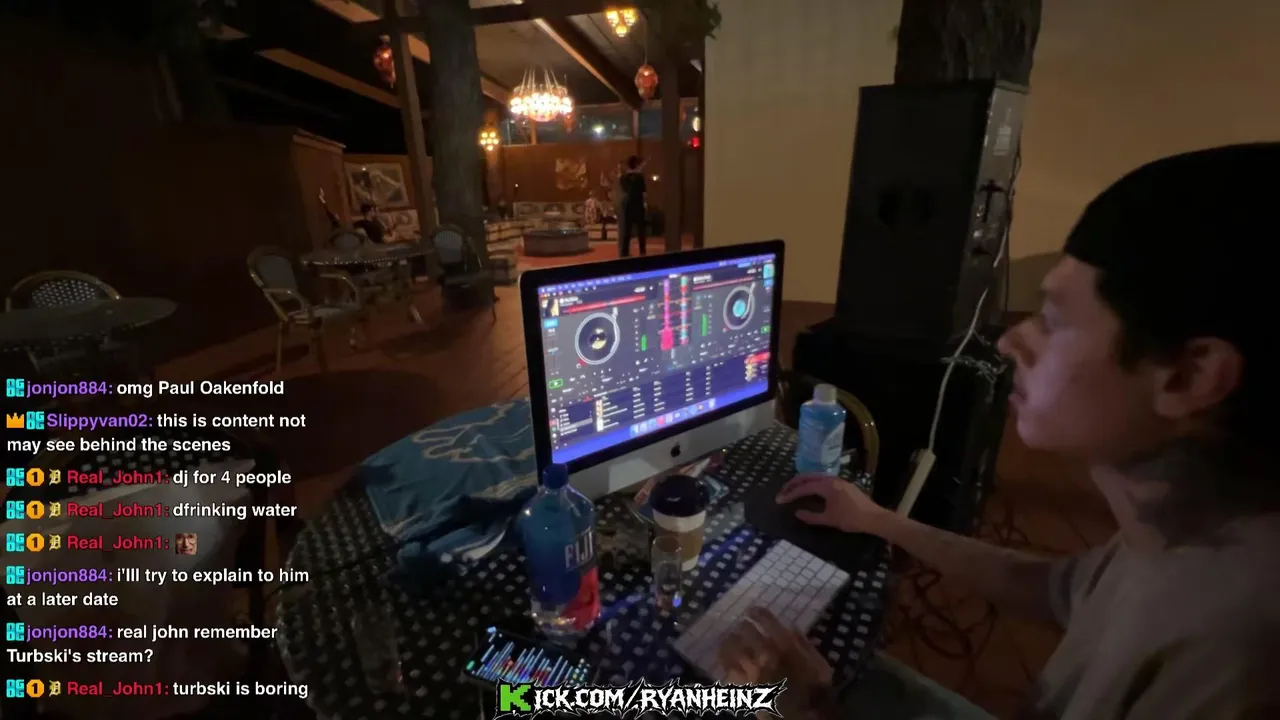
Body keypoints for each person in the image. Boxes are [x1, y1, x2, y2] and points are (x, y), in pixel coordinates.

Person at [719, 144, 1280, 719]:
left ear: (1191, 375)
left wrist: (809, 708)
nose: (1011, 343)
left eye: (1053, 321)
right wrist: (878, 519)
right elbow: (1057, 589)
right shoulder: (1179, 527)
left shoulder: (1236, 659)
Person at [618, 155, 647, 257]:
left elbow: (624, 188)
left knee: (626, 231)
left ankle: (624, 253)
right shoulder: (640, 178)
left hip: (627, 205)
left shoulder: (623, 178)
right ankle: (642, 252)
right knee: (641, 231)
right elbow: (644, 194)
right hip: (638, 204)